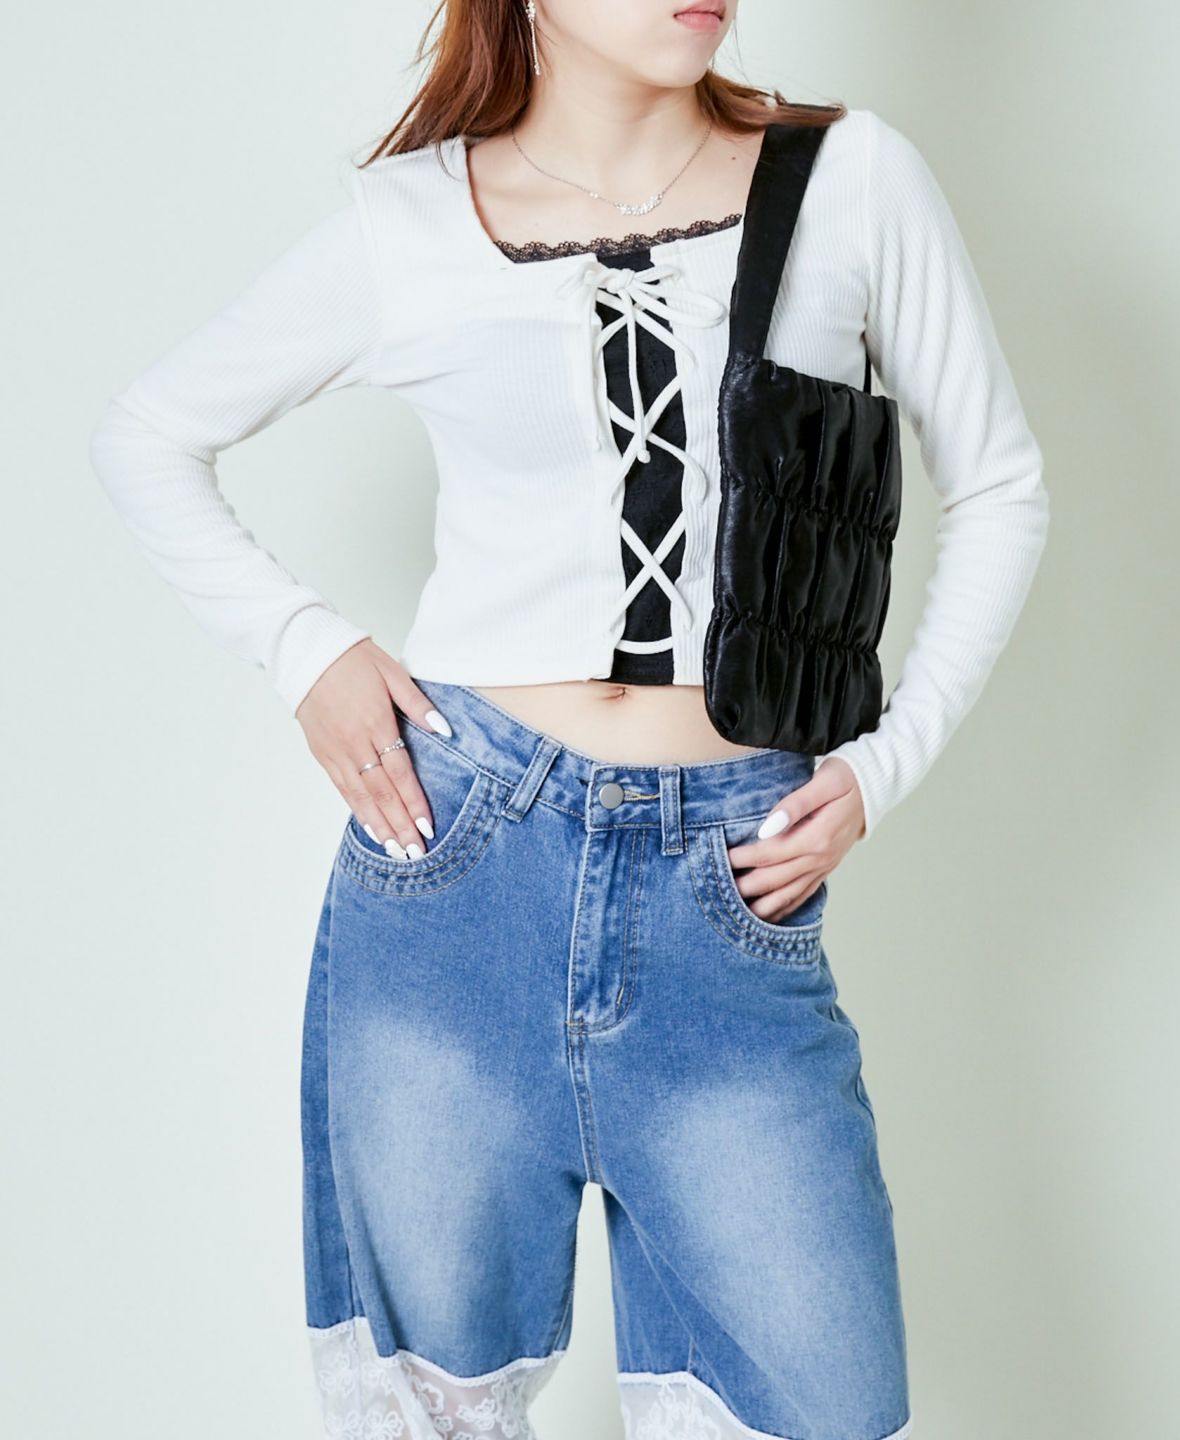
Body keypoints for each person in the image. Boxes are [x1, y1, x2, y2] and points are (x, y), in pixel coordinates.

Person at [88, 2, 1050, 1436]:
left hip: (733, 877)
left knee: (826, 1405)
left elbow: (1002, 484)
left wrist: (881, 765)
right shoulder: (412, 223)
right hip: (463, 867)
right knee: (437, 1412)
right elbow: (148, 434)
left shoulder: (850, 179)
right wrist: (307, 651)